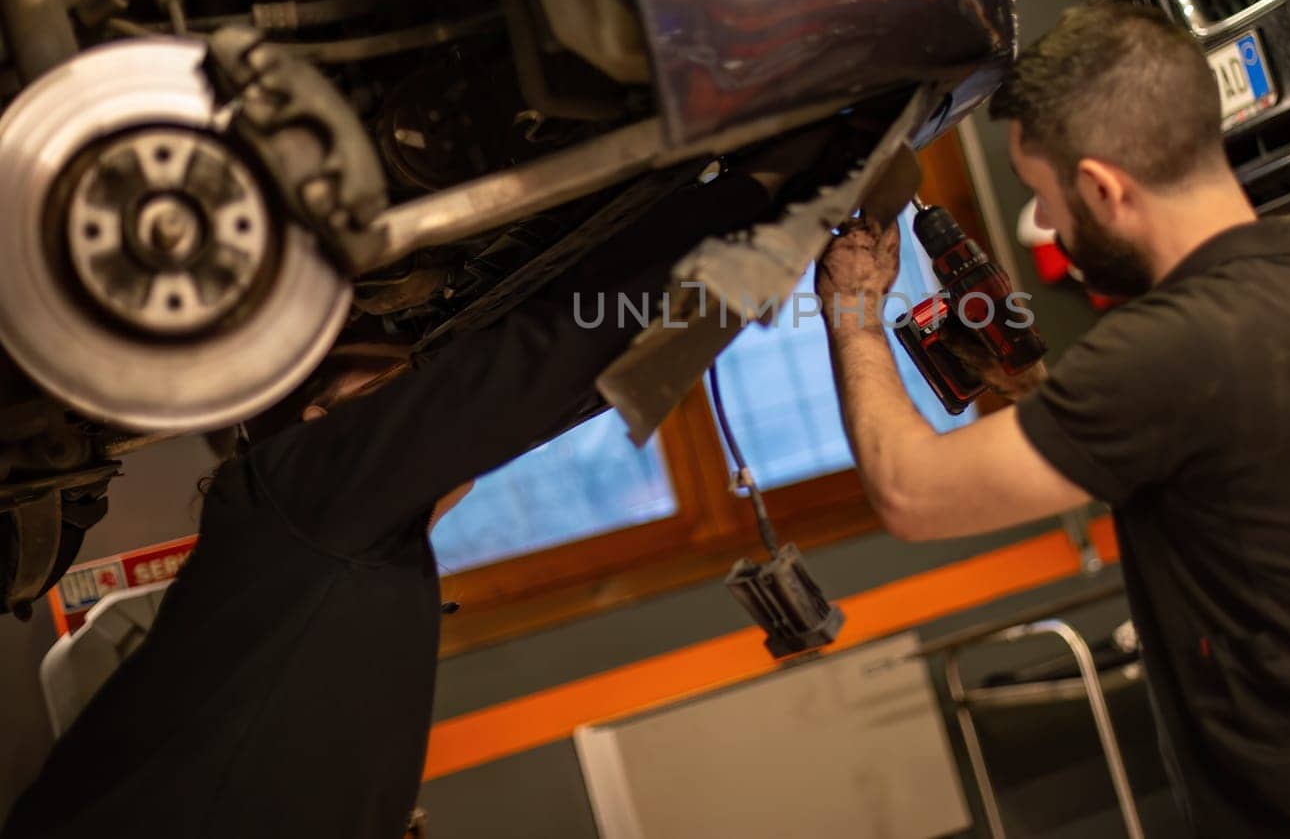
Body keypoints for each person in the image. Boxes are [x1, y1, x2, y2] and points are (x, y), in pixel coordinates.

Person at [814, 3, 1290, 838]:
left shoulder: (1171, 352)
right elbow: (1196, 453)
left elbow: (910, 492)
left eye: (1045, 199)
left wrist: (853, 312)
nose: (1058, 233)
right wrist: (1033, 381)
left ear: (1105, 186)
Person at [2, 160, 787, 839]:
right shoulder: (322, 519)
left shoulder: (307, 500)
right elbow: (539, 388)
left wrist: (750, 203)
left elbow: (537, 376)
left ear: (327, 421)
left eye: (402, 388)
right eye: (401, 382)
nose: (420, 397)